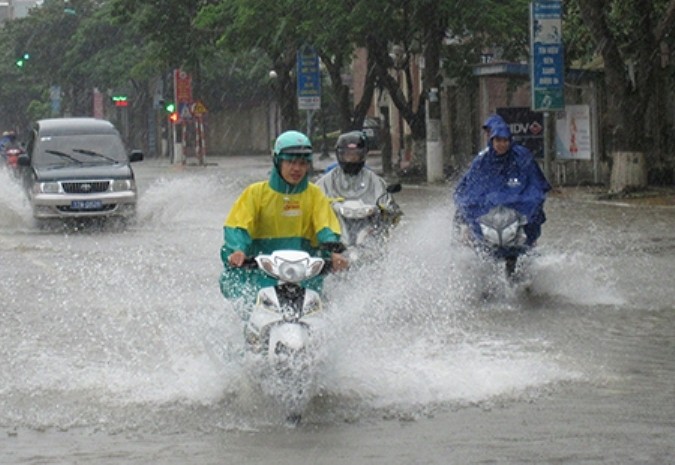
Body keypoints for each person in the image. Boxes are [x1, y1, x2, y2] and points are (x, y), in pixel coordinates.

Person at [219, 130, 348, 308]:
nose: (296, 169)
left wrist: (333, 249)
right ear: (277, 161)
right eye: (290, 162)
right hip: (262, 275)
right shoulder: (255, 194)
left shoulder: (315, 195)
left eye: (302, 163)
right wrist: (237, 250)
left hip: (304, 277)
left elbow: (325, 226)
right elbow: (238, 226)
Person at [453, 122, 551, 248]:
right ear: (492, 140)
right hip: (489, 215)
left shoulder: (521, 158)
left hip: (516, 212)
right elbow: (472, 187)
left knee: (531, 221)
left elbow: (534, 184)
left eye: (505, 141)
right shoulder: (482, 161)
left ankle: (527, 246)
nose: (502, 144)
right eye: (498, 140)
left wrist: (524, 200)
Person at [315, 130, 401, 224]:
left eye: (355, 155)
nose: (351, 158)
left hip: (368, 225)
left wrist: (385, 209)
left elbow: (388, 204)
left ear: (363, 154)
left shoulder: (374, 179)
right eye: (348, 155)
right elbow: (316, 198)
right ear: (340, 155)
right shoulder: (328, 179)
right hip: (336, 226)